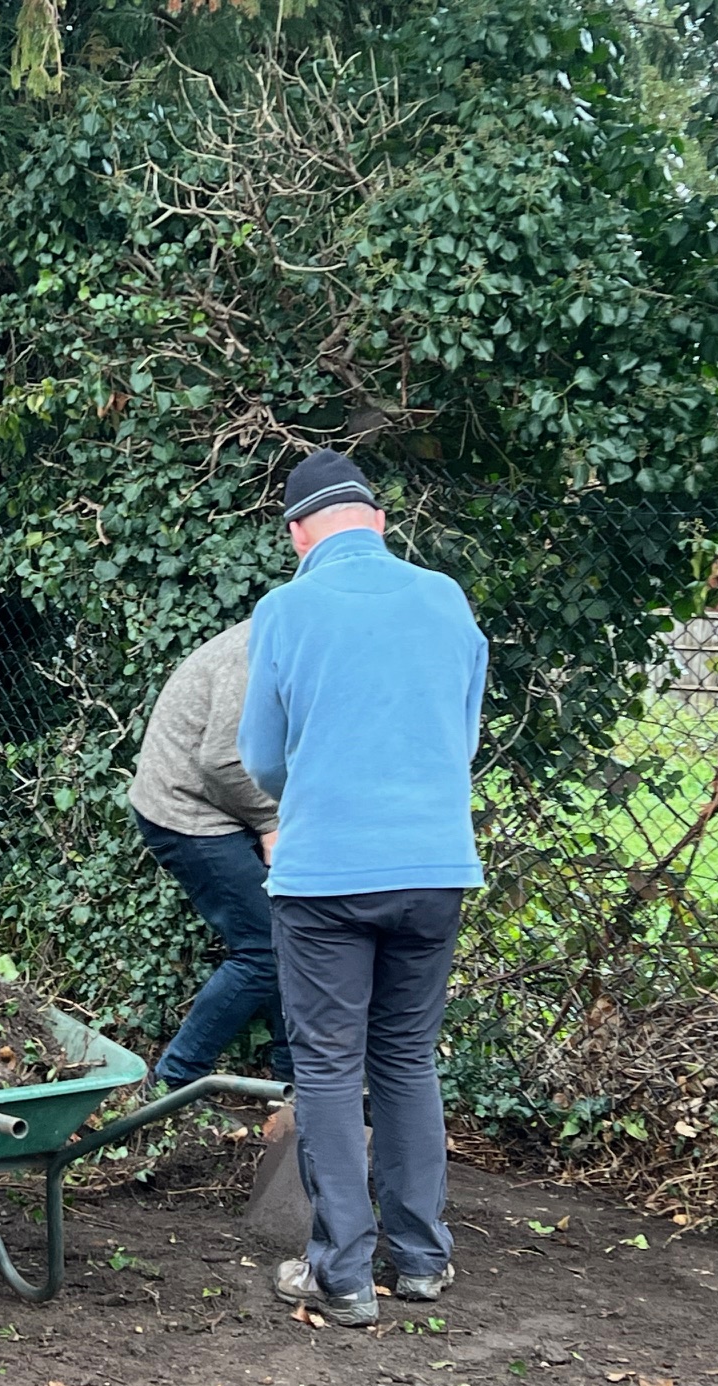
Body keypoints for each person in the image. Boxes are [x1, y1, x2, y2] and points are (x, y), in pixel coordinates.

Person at [236, 450, 487, 1328]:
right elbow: (461, 741)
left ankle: (340, 1275)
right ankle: (421, 1261)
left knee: (330, 1067)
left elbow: (261, 758)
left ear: (298, 535)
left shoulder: (286, 609)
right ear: (378, 522)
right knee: (408, 1058)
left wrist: (315, 784)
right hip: (435, 868)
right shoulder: (445, 598)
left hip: (327, 879)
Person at [128, 618, 291, 1088]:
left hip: (227, 802)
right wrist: (270, 822)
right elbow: (222, 760)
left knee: (295, 936)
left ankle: (294, 1084)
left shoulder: (304, 637)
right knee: (266, 947)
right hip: (187, 809)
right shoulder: (259, 651)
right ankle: (174, 1081)